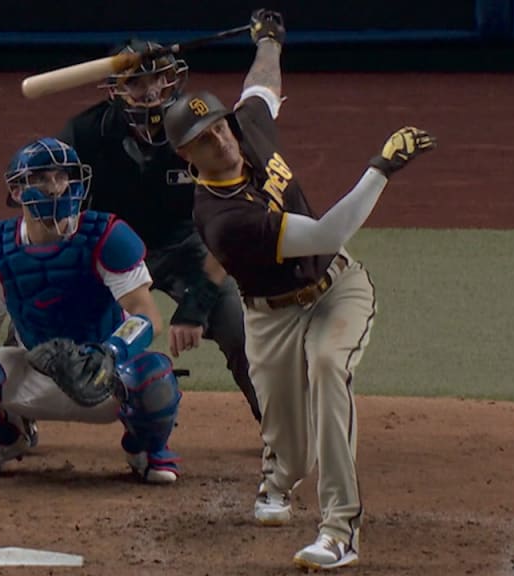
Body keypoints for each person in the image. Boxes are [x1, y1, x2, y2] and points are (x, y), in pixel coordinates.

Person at [163, 8, 436, 570]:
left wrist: (269, 40)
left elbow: (261, 86)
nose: (220, 137)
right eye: (204, 138)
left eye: (218, 124)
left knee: (329, 368)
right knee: (286, 440)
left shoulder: (245, 127)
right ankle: (278, 479)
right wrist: (380, 168)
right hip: (270, 317)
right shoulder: (222, 218)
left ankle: (339, 531)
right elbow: (329, 230)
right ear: (185, 155)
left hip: (338, 290)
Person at [0, 136, 183, 484]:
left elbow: (146, 315)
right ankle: (5, 438)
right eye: (43, 178)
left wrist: (109, 351)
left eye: (64, 177)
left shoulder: (106, 234)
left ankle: (144, 449)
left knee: (153, 377)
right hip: (34, 369)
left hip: (103, 375)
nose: (57, 187)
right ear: (16, 191)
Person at [48, 36, 262, 423]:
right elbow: (53, 198)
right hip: (110, 250)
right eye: (137, 82)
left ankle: (278, 425)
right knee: (40, 305)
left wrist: (196, 305)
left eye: (161, 78)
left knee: (238, 325)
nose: (152, 91)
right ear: (115, 89)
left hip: (186, 247)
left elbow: (232, 223)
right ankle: (8, 418)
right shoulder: (84, 133)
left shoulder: (202, 131)